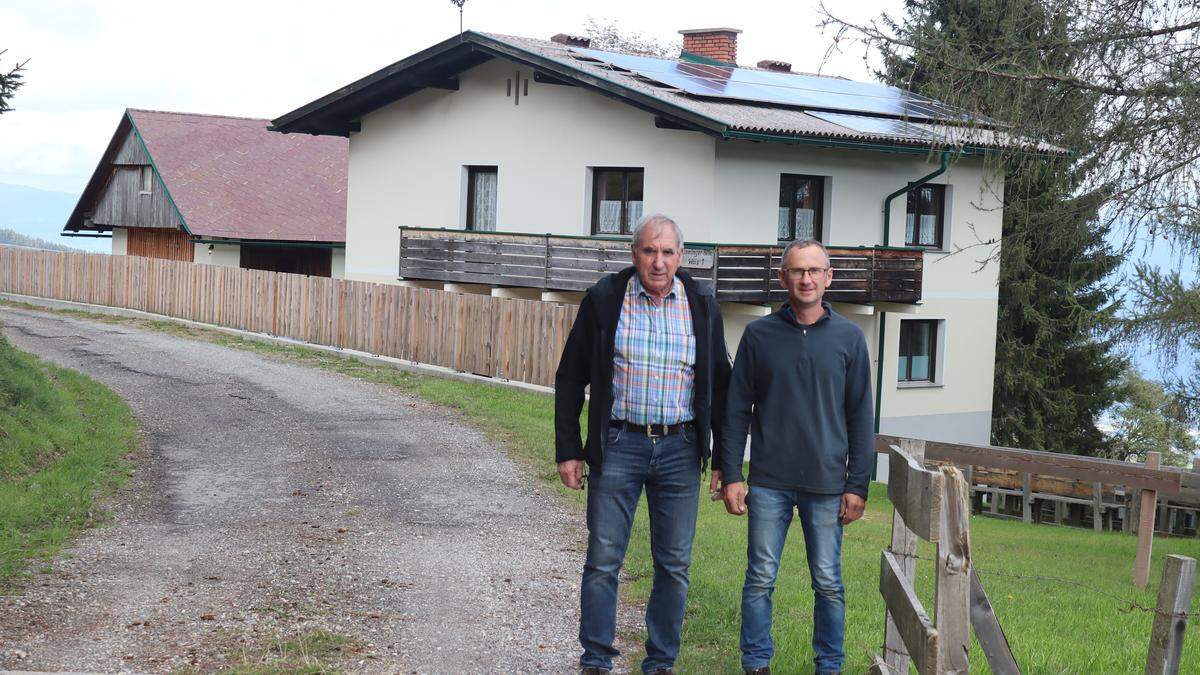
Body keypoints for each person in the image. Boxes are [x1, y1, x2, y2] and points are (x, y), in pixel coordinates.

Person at [555, 213, 731, 675]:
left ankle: (660, 663)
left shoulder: (701, 302)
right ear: (634, 254)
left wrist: (725, 462)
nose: (658, 261)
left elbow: (721, 385)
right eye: (649, 251)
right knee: (603, 559)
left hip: (680, 448)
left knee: (673, 564)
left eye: (667, 252)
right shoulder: (605, 299)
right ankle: (596, 659)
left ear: (680, 257)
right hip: (618, 444)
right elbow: (571, 376)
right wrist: (569, 448)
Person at [718, 238, 874, 675]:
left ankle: (829, 666)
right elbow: (735, 411)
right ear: (783, 277)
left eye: (813, 271)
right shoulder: (759, 334)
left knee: (828, 584)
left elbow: (861, 415)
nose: (805, 279)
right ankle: (755, 664)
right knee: (760, 580)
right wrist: (732, 473)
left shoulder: (849, 338)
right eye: (796, 271)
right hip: (768, 481)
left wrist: (857, 483)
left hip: (827, 485)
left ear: (829, 278)